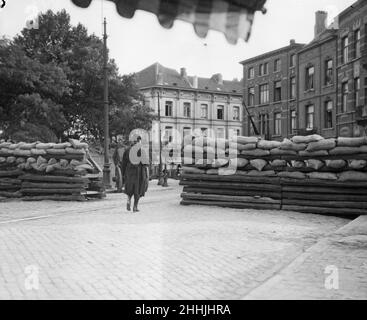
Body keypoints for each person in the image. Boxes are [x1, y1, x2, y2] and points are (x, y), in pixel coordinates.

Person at [121, 135, 149, 212]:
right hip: (139, 172)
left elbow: (123, 164)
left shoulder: (127, 150)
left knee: (130, 188)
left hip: (129, 172)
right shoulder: (141, 150)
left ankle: (128, 200)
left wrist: (123, 174)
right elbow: (145, 162)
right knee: (138, 189)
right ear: (139, 141)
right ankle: (135, 207)